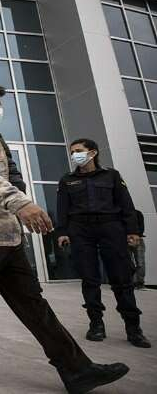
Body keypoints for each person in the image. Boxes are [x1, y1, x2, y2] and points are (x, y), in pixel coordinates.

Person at [0, 84, 128, 392]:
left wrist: (15, 213)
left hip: (5, 235)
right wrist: (19, 203)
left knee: (34, 304)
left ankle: (77, 370)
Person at [56, 139, 151, 349]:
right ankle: (96, 324)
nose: (74, 155)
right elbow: (62, 209)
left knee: (121, 278)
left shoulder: (111, 175)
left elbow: (126, 204)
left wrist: (133, 231)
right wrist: (62, 232)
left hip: (111, 227)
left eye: (78, 151)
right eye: (72, 152)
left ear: (92, 152)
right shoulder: (67, 180)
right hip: (81, 230)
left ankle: (134, 329)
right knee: (89, 279)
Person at [131, 210, 147, 290]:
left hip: (133, 239)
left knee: (138, 262)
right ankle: (138, 283)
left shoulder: (138, 213)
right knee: (140, 262)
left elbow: (141, 227)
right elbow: (141, 227)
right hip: (137, 238)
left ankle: (138, 282)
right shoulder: (138, 213)